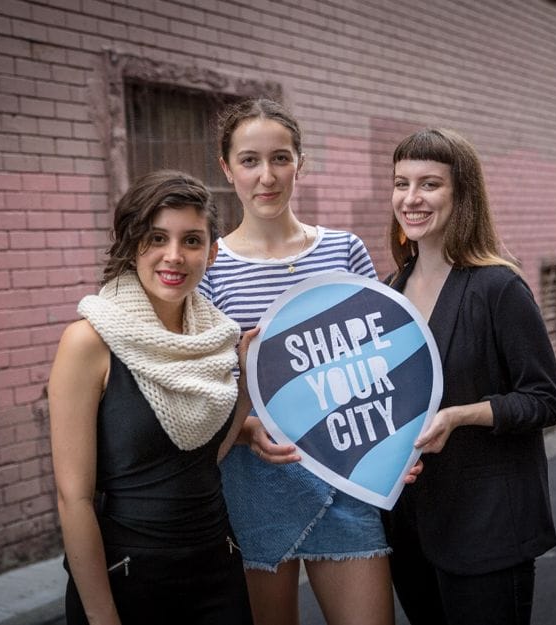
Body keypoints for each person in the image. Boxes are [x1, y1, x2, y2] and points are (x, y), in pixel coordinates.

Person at [198, 98, 395, 625]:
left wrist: (395, 445)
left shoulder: (344, 250)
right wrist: (245, 430)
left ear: (299, 164)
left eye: (280, 158)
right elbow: (201, 387)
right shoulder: (210, 267)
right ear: (227, 168)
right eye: (249, 160)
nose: (267, 176)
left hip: (344, 473)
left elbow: (384, 362)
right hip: (253, 478)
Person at [49, 169, 257, 624]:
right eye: (157, 238)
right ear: (132, 244)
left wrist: (245, 385)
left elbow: (203, 458)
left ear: (212, 252)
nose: (174, 256)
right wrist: (103, 618)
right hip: (128, 574)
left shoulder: (216, 341)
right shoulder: (88, 342)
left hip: (217, 564)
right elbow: (73, 499)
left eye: (192, 241)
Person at [382, 128, 556, 625]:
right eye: (401, 183)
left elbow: (545, 399)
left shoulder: (498, 286)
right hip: (410, 527)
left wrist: (461, 416)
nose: (411, 198)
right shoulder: (389, 289)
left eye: (429, 184)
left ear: (462, 194)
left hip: (488, 526)